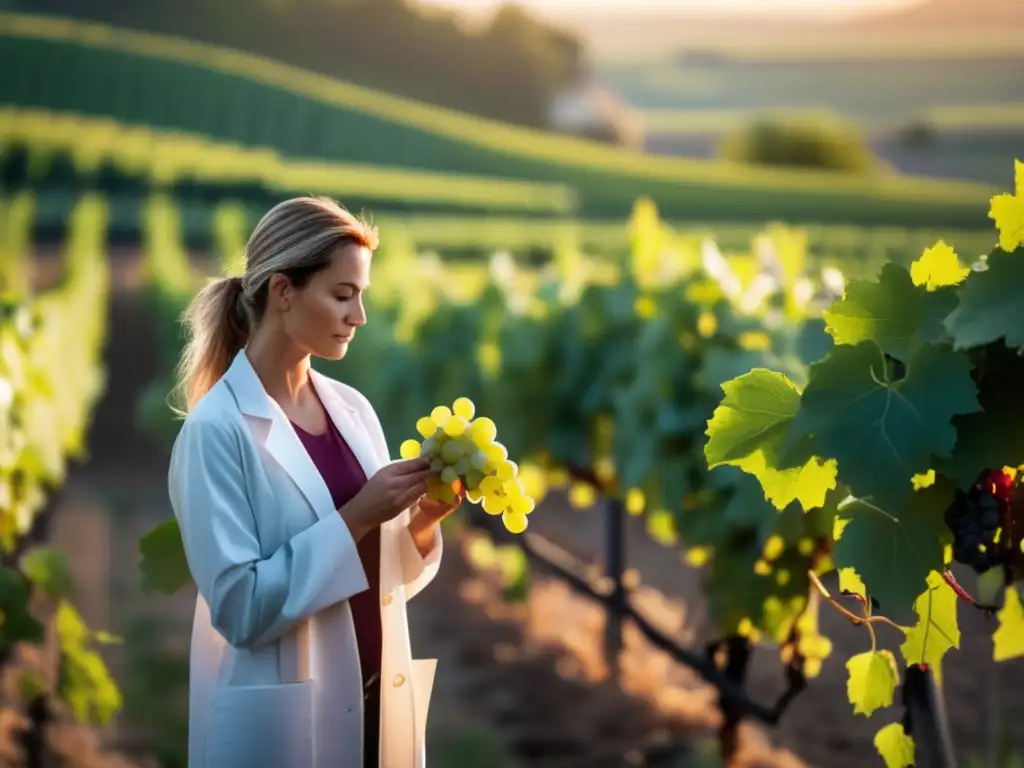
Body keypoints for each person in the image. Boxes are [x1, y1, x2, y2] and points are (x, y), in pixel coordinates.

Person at [166, 196, 462, 768]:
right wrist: (356, 517)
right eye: (342, 295)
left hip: (377, 704)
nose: (359, 317)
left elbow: (375, 574)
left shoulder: (352, 409)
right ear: (283, 292)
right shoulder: (216, 431)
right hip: (290, 728)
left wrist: (423, 523)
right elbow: (239, 607)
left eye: (361, 296)